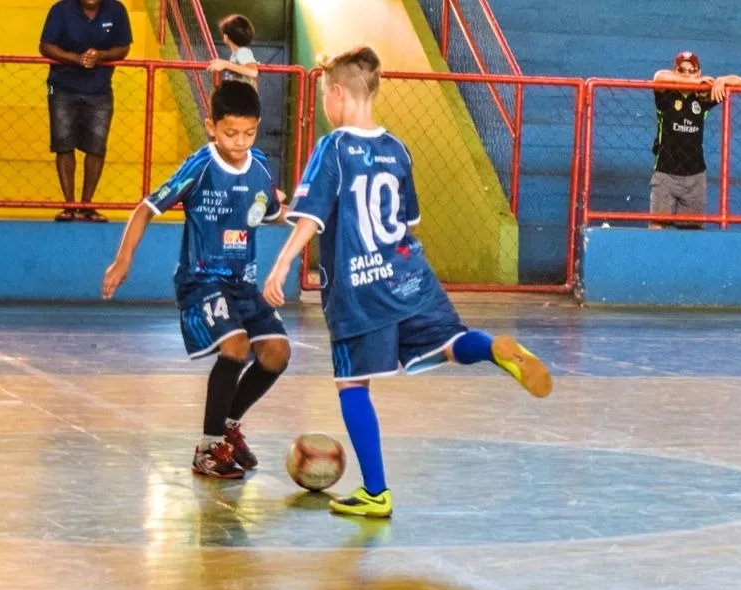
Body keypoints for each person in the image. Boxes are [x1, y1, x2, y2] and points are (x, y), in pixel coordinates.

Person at [263, 46, 552, 518]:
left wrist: (279, 267)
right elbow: (408, 220)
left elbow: (311, 218)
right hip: (409, 274)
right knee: (454, 343)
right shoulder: (397, 149)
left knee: (352, 384)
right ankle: (493, 350)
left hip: (358, 289)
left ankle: (375, 492)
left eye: (324, 98)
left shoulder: (332, 147)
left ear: (336, 94)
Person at [102, 80, 290, 479]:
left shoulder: (259, 166)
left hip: (243, 282)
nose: (240, 142)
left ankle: (229, 427)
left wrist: (304, 215)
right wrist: (123, 259)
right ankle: (207, 449)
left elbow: (271, 210)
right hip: (201, 280)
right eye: (230, 133)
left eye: (249, 133)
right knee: (236, 346)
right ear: (211, 126)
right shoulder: (200, 166)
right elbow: (146, 208)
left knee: (276, 352)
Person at [40, 0, 132, 223]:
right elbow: (45, 46)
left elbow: (124, 47)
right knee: (63, 145)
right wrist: (75, 59)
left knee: (97, 146)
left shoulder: (117, 9)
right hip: (62, 87)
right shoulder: (60, 9)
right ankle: (70, 206)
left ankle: (87, 205)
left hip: (100, 90)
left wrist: (100, 55)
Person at [650, 51, 741, 229]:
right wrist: (696, 82)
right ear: (675, 71)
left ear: (699, 72)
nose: (687, 74)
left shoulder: (703, 98)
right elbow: (658, 76)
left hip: (695, 177)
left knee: (692, 235)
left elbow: (740, 81)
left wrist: (721, 80)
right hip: (664, 173)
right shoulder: (665, 94)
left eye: (692, 71)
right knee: (656, 229)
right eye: (682, 70)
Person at [207, 14, 258, 88]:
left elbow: (253, 72)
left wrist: (225, 64)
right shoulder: (237, 54)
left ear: (226, 36)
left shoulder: (242, 52)